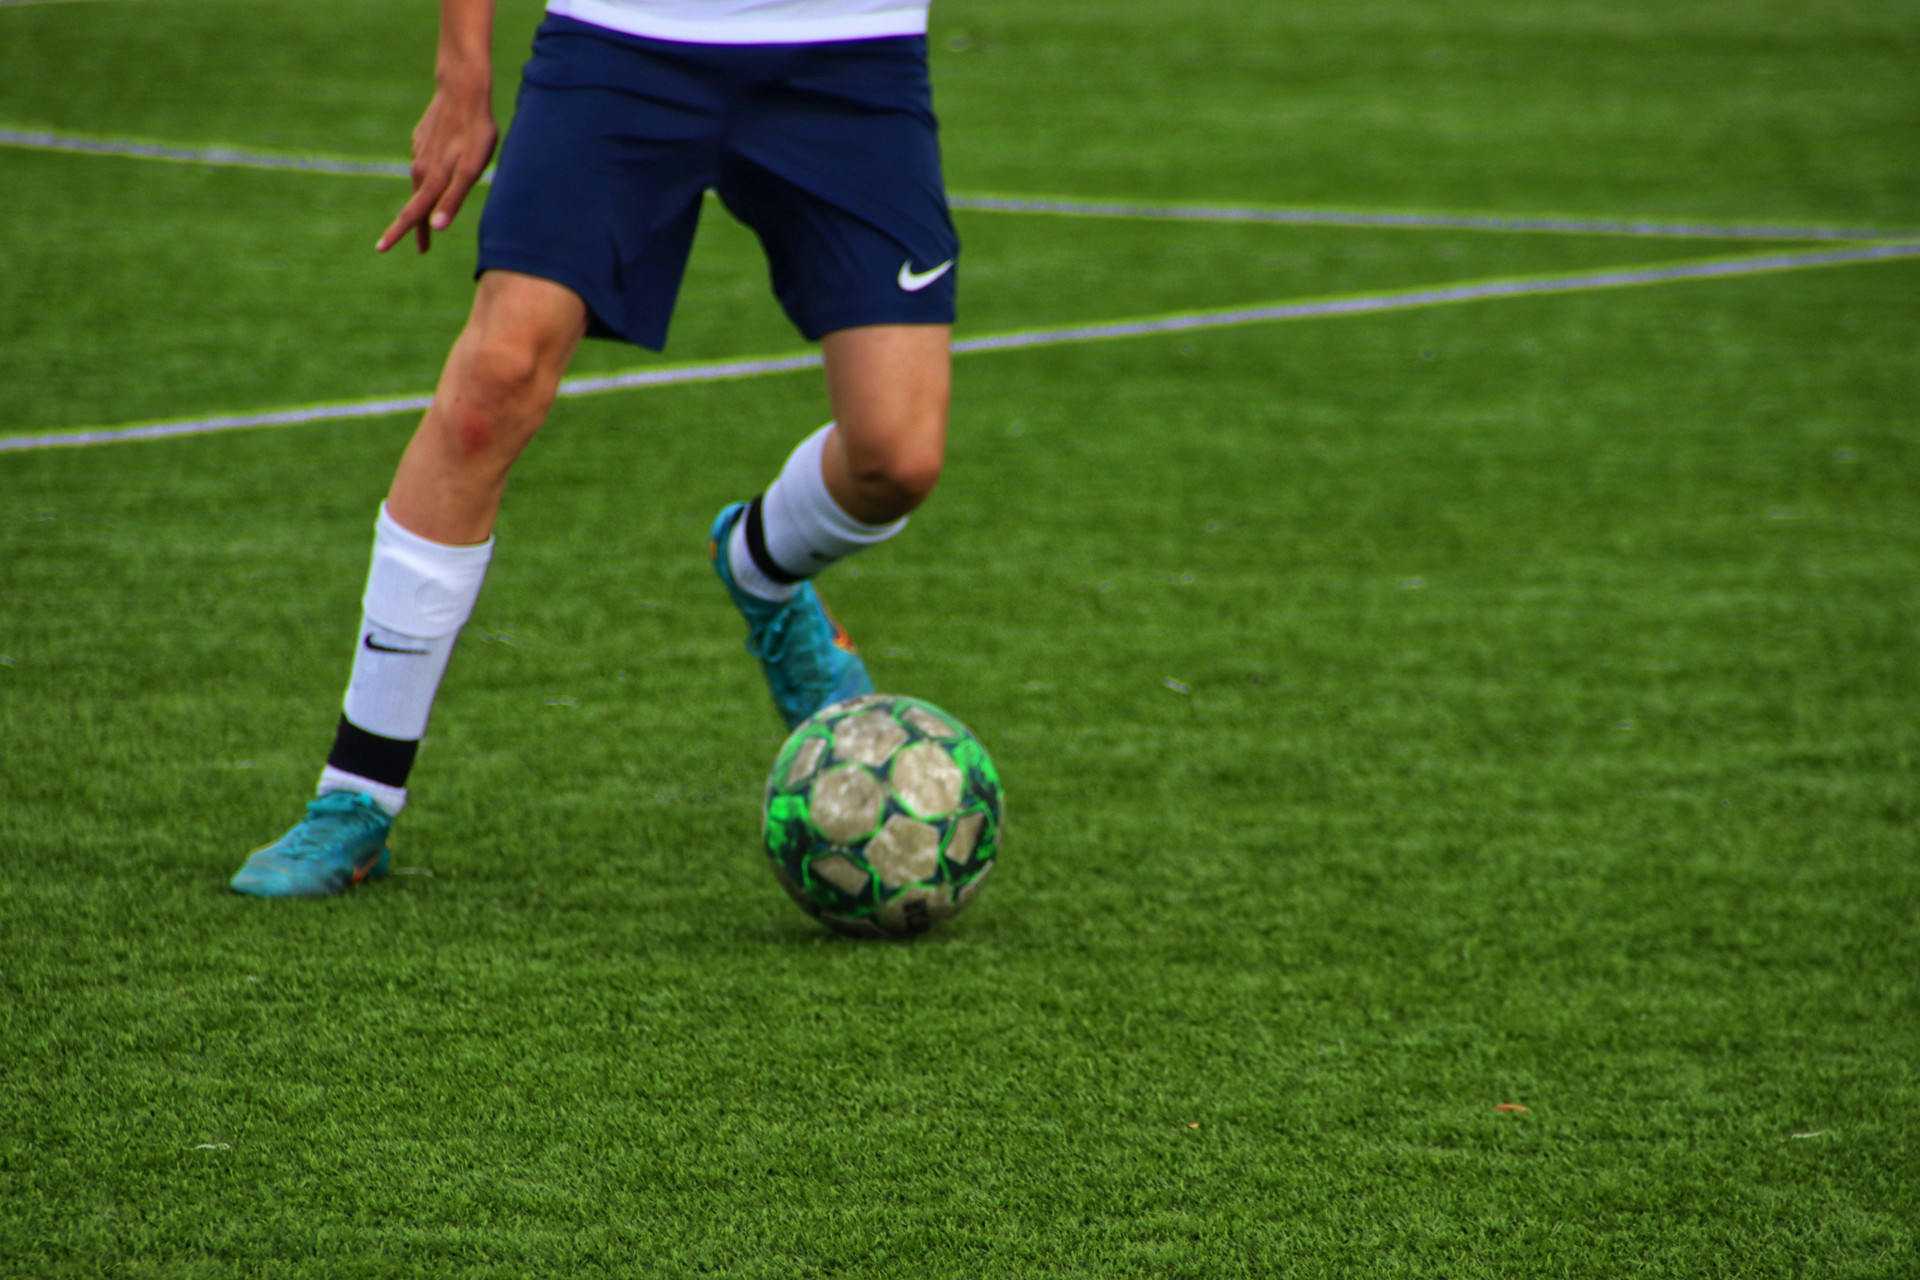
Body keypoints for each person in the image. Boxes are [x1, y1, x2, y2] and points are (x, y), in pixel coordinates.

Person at [229, 0, 958, 896]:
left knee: (897, 457)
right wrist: (462, 73)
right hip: (621, 41)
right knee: (492, 383)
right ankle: (356, 794)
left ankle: (762, 565)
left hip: (851, 53)